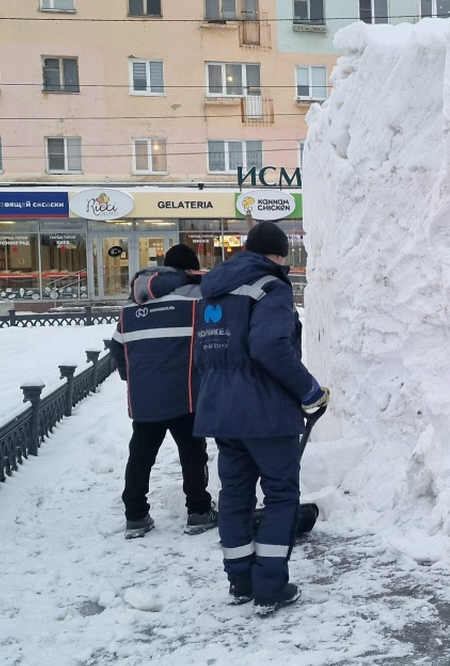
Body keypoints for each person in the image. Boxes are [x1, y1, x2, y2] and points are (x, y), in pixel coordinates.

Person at [193, 221, 328, 616]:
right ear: (278, 255)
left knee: (234, 495)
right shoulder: (271, 286)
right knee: (281, 495)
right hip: (266, 413)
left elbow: (206, 354)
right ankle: (271, 585)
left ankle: (240, 580)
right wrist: (310, 391)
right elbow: (270, 345)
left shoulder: (214, 290)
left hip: (222, 411)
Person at [105, 244, 217, 540]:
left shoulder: (133, 302)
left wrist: (133, 378)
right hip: (185, 393)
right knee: (193, 453)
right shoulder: (195, 297)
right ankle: (198, 511)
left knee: (140, 455)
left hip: (145, 396)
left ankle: (136, 516)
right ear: (190, 270)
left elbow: (117, 346)